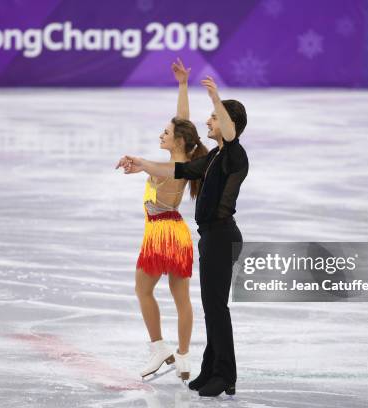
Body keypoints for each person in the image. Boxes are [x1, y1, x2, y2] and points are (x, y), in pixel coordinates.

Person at [117, 61, 248, 397]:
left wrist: (215, 96)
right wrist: (141, 162)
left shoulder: (232, 154)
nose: (208, 121)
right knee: (204, 304)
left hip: (205, 235)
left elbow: (207, 132)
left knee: (211, 306)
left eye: (215, 118)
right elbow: (183, 140)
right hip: (202, 237)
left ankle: (220, 372)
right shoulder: (211, 156)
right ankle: (203, 365)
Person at [116, 58, 208, 381]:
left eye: (166, 133)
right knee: (180, 298)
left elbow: (157, 168)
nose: (162, 134)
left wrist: (138, 161)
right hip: (177, 234)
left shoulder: (175, 166)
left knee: (143, 290)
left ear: (178, 142)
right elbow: (183, 122)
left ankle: (159, 347)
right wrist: (183, 85)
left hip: (162, 235)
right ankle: (182, 357)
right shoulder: (183, 155)